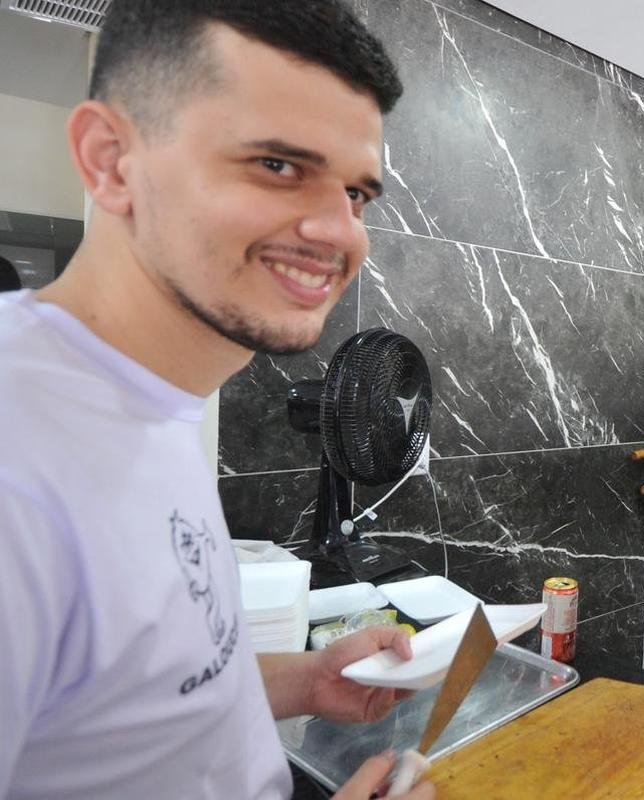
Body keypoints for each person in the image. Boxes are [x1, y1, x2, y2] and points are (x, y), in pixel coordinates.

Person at [0, 2, 434, 798]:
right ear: (111, 161)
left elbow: (137, 691)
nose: (342, 233)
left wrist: (302, 680)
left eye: (359, 194)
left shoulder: (155, 402)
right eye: (277, 165)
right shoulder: (18, 459)